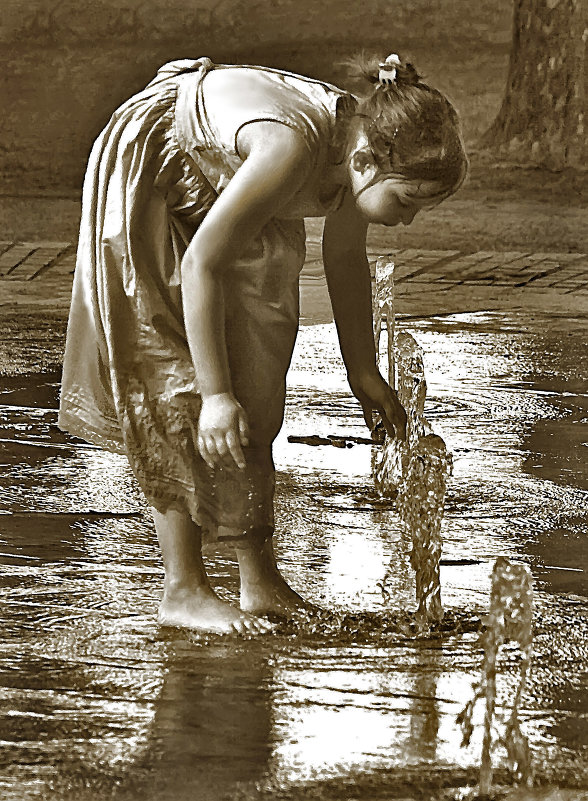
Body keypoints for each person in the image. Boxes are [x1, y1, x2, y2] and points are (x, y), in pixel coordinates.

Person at [58, 52, 468, 636]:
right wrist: (215, 393)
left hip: (233, 182)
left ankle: (259, 579)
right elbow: (202, 264)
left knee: (260, 380)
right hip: (158, 170)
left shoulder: (359, 151)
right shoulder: (291, 152)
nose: (406, 223)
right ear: (364, 161)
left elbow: (345, 256)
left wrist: (363, 372)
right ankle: (183, 587)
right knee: (176, 379)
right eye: (406, 203)